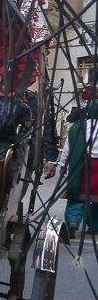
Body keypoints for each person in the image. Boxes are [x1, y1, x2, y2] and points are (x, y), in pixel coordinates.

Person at [45, 101, 98, 237]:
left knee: (76, 195)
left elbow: (68, 148)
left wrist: (63, 165)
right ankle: (95, 225)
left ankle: (73, 221)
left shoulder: (77, 127)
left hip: (81, 164)